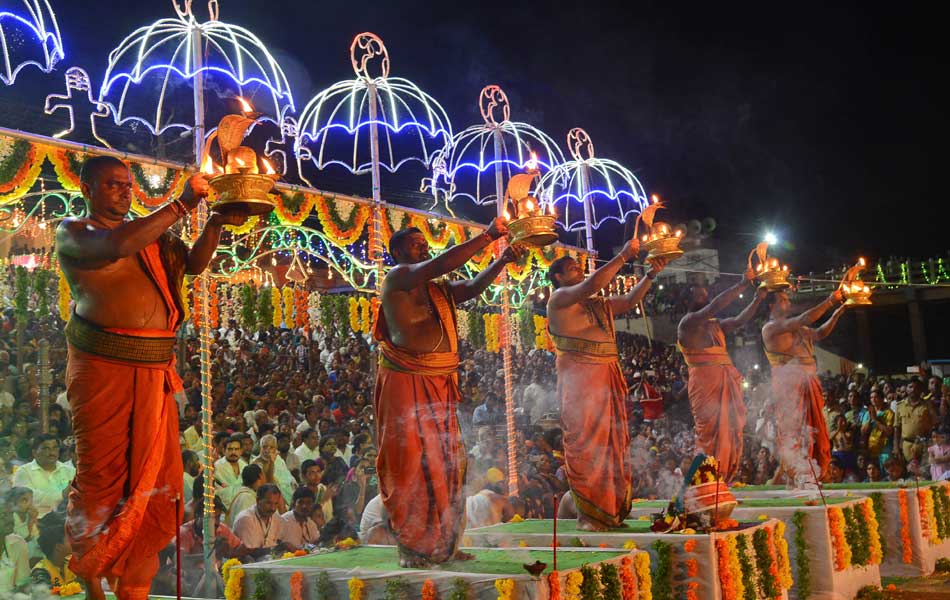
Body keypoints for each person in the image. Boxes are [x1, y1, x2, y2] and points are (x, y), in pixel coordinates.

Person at [56, 155, 248, 598]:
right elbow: (116, 248)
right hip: (104, 371)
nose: (125, 190)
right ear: (87, 189)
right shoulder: (76, 232)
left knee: (157, 482)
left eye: (127, 184)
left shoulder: (150, 234)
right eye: (113, 184)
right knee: (101, 479)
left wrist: (215, 223)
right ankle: (92, 577)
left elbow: (193, 264)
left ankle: (135, 586)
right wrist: (180, 204)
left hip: (155, 371)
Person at [374, 220, 523, 566]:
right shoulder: (397, 279)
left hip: (440, 382)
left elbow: (470, 287)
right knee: (409, 463)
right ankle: (413, 547)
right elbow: (442, 263)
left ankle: (443, 544)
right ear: (397, 253)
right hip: (406, 381)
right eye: (415, 244)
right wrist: (489, 235)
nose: (423, 247)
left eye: (424, 243)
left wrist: (501, 262)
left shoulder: (436, 290)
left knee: (444, 464)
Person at [546, 240, 667, 531]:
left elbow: (628, 301)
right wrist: (623, 255)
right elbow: (588, 286)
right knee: (587, 446)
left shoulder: (597, 305)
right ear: (558, 278)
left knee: (611, 444)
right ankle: (589, 514)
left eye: (579, 266)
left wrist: (650, 275)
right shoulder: (559, 299)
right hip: (581, 385)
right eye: (573, 268)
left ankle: (610, 509)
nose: (579, 270)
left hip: (606, 380)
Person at [676, 273, 767, 482]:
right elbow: (713, 307)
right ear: (688, 302)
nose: (705, 298)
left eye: (705, 295)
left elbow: (739, 320)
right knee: (708, 436)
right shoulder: (687, 323)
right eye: (699, 297)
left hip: (724, 381)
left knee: (730, 430)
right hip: (704, 385)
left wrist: (758, 299)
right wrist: (743, 283)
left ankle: (722, 480)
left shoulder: (714, 324)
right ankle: (703, 482)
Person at [762, 289, 847, 487]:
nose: (788, 303)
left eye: (787, 299)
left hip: (809, 381)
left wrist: (838, 313)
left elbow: (819, 333)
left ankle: (814, 473)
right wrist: (832, 299)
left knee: (816, 430)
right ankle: (798, 474)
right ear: (771, 306)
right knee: (795, 431)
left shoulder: (798, 328)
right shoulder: (771, 328)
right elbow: (805, 317)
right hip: (789, 384)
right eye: (783, 300)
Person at [11, 434, 74, 517]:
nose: (52, 453)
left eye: (55, 448)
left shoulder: (70, 471)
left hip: (68, 521)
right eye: (46, 449)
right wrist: (62, 495)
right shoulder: (24, 472)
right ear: (34, 453)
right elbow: (30, 499)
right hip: (37, 523)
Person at [232, 484, 288, 554]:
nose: (273, 508)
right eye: (268, 503)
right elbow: (250, 553)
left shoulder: (276, 518)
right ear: (258, 500)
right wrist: (280, 547)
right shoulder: (245, 519)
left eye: (276, 504)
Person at [30, 511, 79, 588]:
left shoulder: (73, 563)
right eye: (69, 539)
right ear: (59, 547)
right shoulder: (40, 572)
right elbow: (44, 596)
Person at [894, 377, 936, 465]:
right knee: (909, 472)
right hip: (906, 446)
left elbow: (935, 423)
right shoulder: (900, 406)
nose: (913, 389)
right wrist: (896, 447)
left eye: (916, 388)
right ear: (906, 389)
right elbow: (897, 428)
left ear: (920, 390)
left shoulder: (927, 405)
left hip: (924, 445)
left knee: (924, 473)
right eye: (910, 387)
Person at [0, 506, 29, 596]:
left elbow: (22, 583)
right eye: (3, 515)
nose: (10, 520)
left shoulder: (18, 543)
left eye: (11, 514)